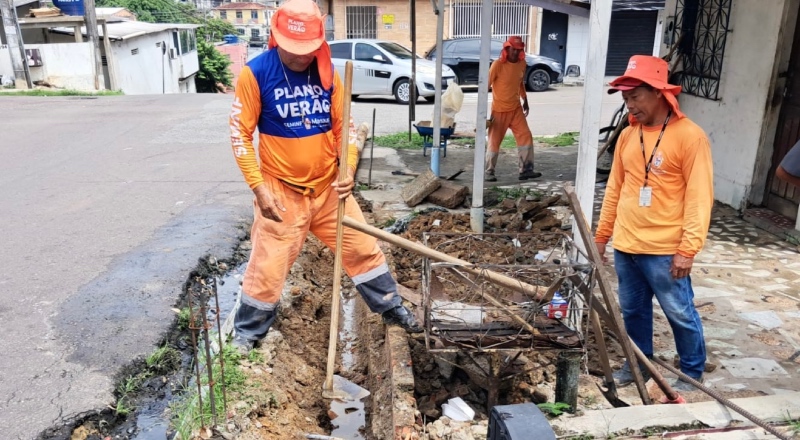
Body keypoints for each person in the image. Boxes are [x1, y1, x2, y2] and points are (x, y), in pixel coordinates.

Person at [228, 0, 422, 353]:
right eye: (293, 49)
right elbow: (239, 135)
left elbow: (344, 130)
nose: (300, 57)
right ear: (276, 38)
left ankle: (393, 309)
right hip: (281, 193)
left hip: (329, 190)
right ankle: (247, 335)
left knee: (363, 249)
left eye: (307, 49)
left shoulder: (329, 74)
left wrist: (347, 170)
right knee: (268, 267)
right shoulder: (255, 74)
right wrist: (258, 187)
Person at [595, 55, 714, 392]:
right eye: (626, 99)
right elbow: (615, 188)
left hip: (665, 250)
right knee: (632, 312)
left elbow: (699, 198)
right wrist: (603, 235)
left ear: (660, 93)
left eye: (636, 97)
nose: (630, 106)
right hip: (627, 245)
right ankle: (639, 364)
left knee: (679, 313)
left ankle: (691, 371)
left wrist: (688, 249)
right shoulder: (628, 136)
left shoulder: (690, 137)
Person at [485, 36, 541, 182]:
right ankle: (489, 171)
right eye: (513, 50)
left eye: (519, 50)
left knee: (526, 136)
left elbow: (520, 82)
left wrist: (525, 99)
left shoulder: (522, 64)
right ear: (507, 49)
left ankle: (526, 170)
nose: (516, 53)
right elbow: (485, 86)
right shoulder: (497, 65)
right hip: (499, 110)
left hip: (516, 109)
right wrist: (482, 114)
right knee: (494, 142)